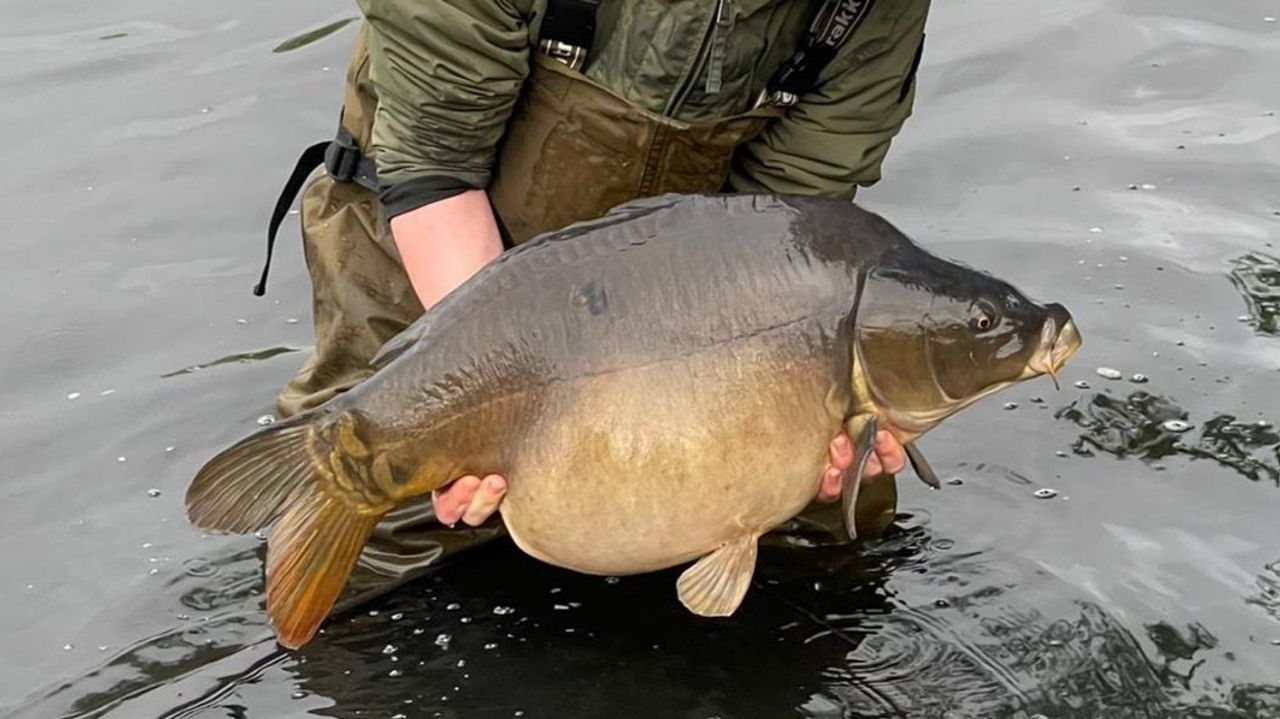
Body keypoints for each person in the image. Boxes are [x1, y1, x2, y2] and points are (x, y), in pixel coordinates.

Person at [259, 0, 929, 592]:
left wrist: (788, 437)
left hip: (684, 318)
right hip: (432, 272)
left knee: (833, 521)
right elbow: (437, 170)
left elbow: (778, 245)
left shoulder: (873, 10)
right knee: (371, 530)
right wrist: (495, 417)